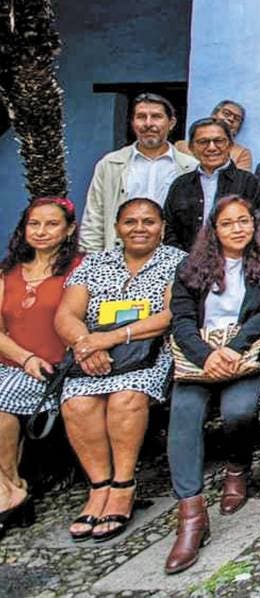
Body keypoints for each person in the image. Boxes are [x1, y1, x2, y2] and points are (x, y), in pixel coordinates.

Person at [55, 198, 185, 541]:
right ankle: (99, 486)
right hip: (91, 353)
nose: (139, 228)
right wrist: (85, 343)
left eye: (148, 222)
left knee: (126, 397)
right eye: (130, 222)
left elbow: (171, 314)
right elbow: (66, 314)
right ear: (117, 228)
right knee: (77, 403)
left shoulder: (175, 261)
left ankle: (124, 484)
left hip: (147, 351)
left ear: (162, 228)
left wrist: (111, 337)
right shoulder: (94, 263)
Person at [164, 195, 260, 573]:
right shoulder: (191, 268)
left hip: (241, 355)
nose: (237, 229)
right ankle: (191, 514)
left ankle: (237, 468)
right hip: (198, 359)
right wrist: (206, 356)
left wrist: (233, 349)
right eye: (227, 223)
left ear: (254, 225)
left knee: (239, 410)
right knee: (184, 415)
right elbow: (180, 319)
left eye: (244, 221)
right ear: (214, 228)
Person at [0, 198, 82, 539]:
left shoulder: (80, 269)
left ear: (69, 229)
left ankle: (10, 491)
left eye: (51, 224)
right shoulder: (7, 273)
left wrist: (38, 362)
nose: (41, 231)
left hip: (56, 370)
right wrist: (24, 358)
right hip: (14, 364)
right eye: (34, 224)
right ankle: (10, 488)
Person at [80, 93, 197, 252]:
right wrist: (94, 259)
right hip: (119, 255)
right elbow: (94, 219)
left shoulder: (190, 167)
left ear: (171, 123)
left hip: (173, 255)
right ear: (133, 123)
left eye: (156, 117)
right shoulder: (111, 165)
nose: (148, 124)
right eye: (141, 117)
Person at [163, 118, 260, 251]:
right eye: (203, 142)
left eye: (218, 141)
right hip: (186, 260)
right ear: (191, 148)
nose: (212, 148)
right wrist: (184, 259)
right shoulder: (180, 185)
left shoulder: (249, 183)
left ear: (230, 145)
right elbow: (170, 229)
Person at [176, 100, 253, 171]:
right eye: (226, 114)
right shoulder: (182, 146)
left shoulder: (242, 153)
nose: (231, 119)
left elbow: (241, 180)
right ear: (214, 115)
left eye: (237, 119)